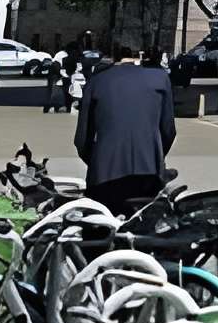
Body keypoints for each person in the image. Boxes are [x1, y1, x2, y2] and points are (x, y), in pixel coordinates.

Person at [74, 37, 175, 216]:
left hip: (104, 175)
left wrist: (97, 161)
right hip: (148, 174)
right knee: (145, 230)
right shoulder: (160, 79)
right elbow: (168, 131)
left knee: (101, 232)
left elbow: (82, 139)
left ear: (113, 54)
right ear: (143, 53)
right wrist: (155, 156)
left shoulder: (97, 81)